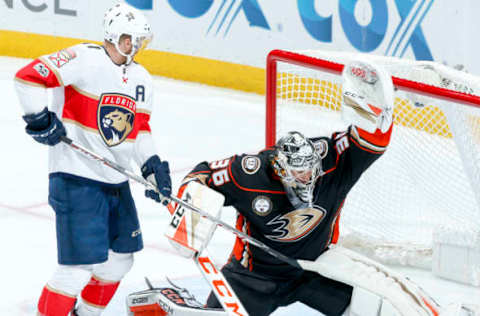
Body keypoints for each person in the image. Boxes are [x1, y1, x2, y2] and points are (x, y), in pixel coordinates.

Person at [167, 59, 423, 316]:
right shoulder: (249, 173)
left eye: (310, 170)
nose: (306, 177)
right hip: (254, 277)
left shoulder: (333, 160)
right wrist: (190, 212)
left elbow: (371, 139)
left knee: (368, 310)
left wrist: (371, 108)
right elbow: (201, 175)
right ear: (279, 169)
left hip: (316, 270)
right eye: (298, 173)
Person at [14, 3, 171, 316]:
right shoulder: (84, 58)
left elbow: (139, 128)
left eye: (139, 40)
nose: (136, 45)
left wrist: (152, 164)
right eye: (131, 39)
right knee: (77, 269)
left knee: (120, 261)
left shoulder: (141, 77)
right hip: (76, 177)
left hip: (116, 181)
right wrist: (39, 118)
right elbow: (27, 77)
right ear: (116, 36)